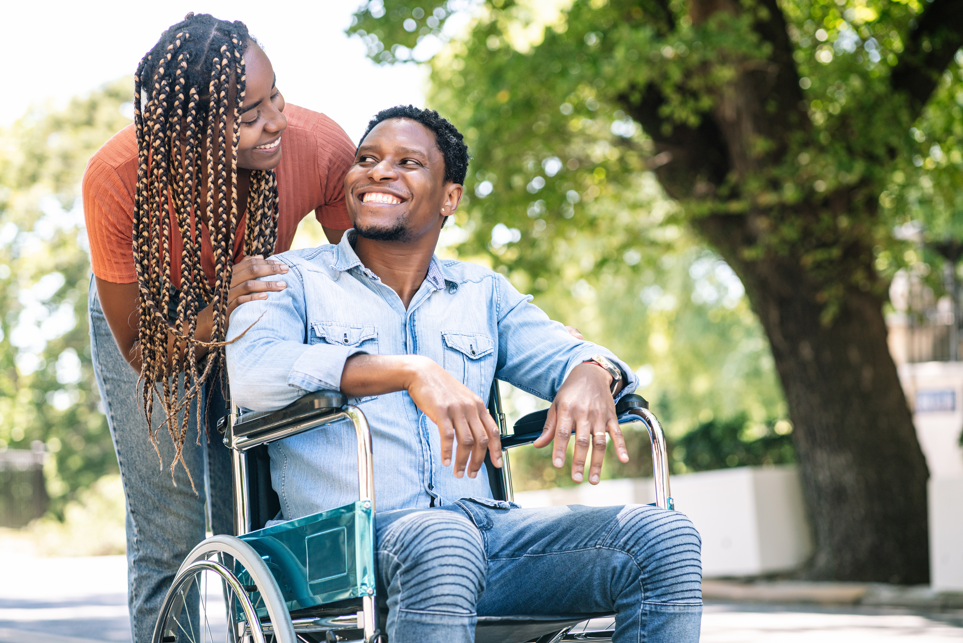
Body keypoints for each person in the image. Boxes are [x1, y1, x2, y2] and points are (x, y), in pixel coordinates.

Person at [226, 105, 703, 643]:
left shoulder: (483, 295)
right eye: (367, 159)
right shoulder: (289, 279)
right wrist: (407, 371)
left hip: (486, 536)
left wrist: (592, 370)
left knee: (663, 537)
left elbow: (566, 352)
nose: (379, 172)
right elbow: (251, 375)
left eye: (408, 162)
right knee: (441, 538)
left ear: (450, 196)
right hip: (340, 545)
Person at [81, 14, 352, 642]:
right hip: (156, 320)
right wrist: (215, 308)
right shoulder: (118, 178)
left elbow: (363, 287)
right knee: (170, 529)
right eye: (251, 114)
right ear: (186, 133)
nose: (278, 120)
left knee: (262, 514)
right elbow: (144, 355)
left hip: (258, 306)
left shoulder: (319, 147)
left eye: (276, 96)